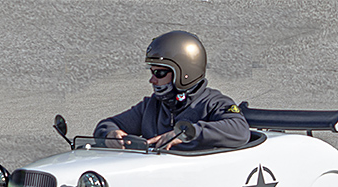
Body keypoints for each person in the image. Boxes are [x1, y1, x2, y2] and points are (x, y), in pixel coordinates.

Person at [94, 31, 249, 151]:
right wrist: (111, 135)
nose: (152, 80)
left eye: (159, 73)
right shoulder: (151, 106)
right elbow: (107, 124)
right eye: (152, 72)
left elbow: (240, 130)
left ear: (184, 73)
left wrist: (186, 133)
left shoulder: (213, 103)